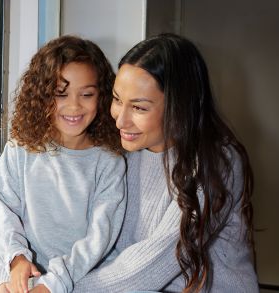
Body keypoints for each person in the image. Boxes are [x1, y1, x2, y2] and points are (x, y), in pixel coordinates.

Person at [73, 33, 258, 292]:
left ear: (178, 106)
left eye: (139, 108)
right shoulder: (125, 151)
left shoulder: (216, 162)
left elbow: (150, 267)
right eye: (117, 100)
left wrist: (62, 287)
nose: (120, 120)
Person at [0, 35, 127, 293]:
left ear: (101, 96)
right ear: (42, 95)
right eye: (60, 94)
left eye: (86, 94)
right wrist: (16, 257)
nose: (74, 106)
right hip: (25, 272)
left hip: (83, 279)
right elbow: (4, 210)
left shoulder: (109, 162)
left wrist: (52, 284)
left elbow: (99, 238)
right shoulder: (20, 149)